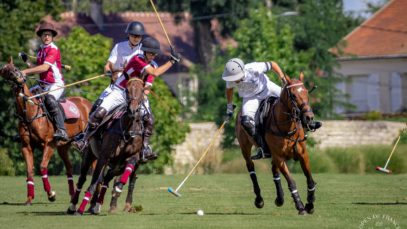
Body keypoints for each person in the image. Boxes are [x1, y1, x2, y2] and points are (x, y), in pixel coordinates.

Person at [73, 36, 181, 162]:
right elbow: (154, 73)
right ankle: (83, 140)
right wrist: (172, 61)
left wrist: (143, 94)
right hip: (120, 90)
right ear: (144, 52)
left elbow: (148, 86)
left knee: (149, 119)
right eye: (151, 53)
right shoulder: (137, 59)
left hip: (137, 95)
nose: (152, 56)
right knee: (99, 112)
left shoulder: (154, 64)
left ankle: (145, 148)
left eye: (154, 54)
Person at [222, 58, 321, 160]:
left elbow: (272, 64)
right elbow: (229, 90)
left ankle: (309, 123)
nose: (234, 80)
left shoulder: (253, 68)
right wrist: (229, 106)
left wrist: (281, 76)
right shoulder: (230, 79)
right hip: (250, 98)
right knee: (246, 121)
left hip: (268, 88)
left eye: (236, 77)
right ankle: (262, 147)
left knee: (292, 99)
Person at [21, 22, 68, 141]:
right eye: (44, 35)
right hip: (43, 85)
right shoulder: (41, 50)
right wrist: (27, 61)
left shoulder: (53, 49)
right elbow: (37, 67)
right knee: (24, 98)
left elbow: (44, 68)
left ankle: (62, 130)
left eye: (48, 35)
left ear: (52, 37)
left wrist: (25, 71)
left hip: (55, 84)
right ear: (41, 37)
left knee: (50, 100)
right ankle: (24, 130)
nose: (46, 37)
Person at [91, 21, 146, 113]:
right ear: (128, 34)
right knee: (98, 104)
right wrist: (108, 71)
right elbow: (108, 64)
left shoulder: (143, 51)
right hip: (117, 84)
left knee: (147, 116)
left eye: (138, 36)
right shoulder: (119, 46)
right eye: (133, 35)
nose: (136, 38)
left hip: (135, 88)